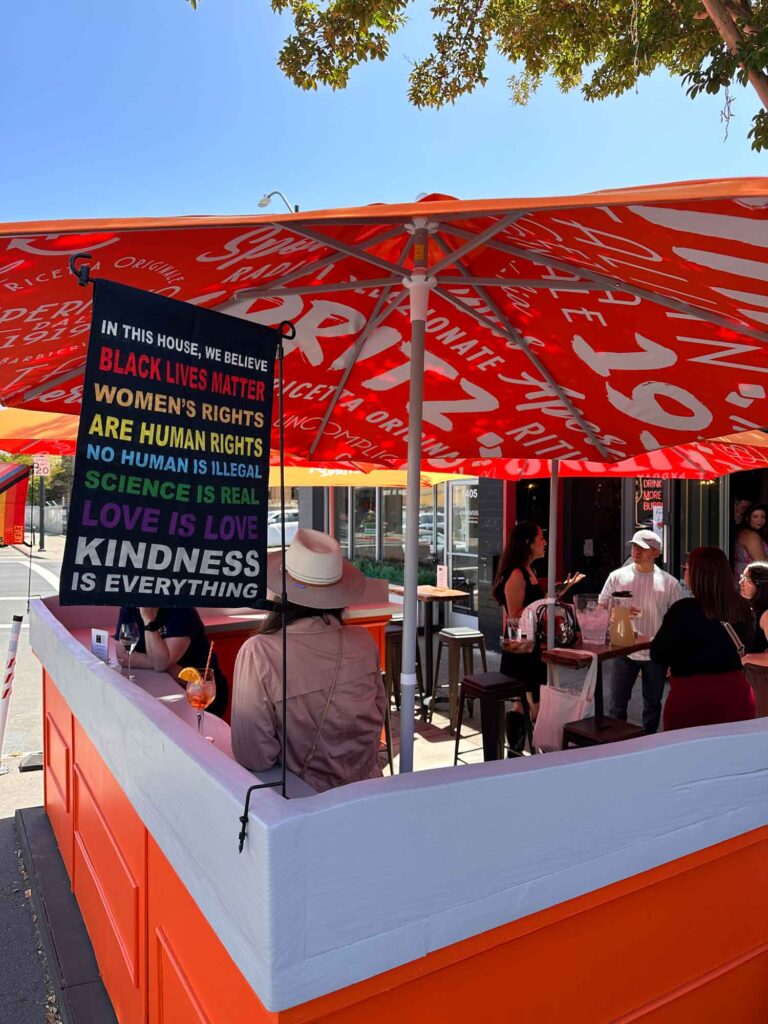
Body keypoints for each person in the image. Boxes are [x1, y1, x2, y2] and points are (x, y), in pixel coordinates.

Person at [231, 529, 386, 793]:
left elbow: (253, 755)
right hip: (369, 793)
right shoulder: (363, 641)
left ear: (281, 591)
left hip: (304, 804)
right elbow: (378, 713)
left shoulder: (260, 653)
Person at [493, 521, 582, 749]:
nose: (545, 542)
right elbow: (515, 615)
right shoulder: (516, 573)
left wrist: (556, 592)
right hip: (521, 647)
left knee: (527, 701)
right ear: (527, 543)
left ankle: (528, 748)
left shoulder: (529, 570)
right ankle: (525, 749)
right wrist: (545, 602)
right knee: (526, 701)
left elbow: (535, 603)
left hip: (532, 646)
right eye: (540, 538)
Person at [651, 546, 756, 731]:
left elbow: (658, 654)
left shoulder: (683, 610)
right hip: (737, 697)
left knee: (689, 757)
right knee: (734, 757)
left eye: (687, 569)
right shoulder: (744, 609)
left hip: (691, 700)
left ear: (697, 574)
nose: (685, 574)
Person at [598, 529, 682, 734]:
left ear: (656, 552)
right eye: (634, 546)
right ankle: (616, 744)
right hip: (623, 648)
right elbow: (600, 608)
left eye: (642, 548)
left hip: (655, 651)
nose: (636, 551)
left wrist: (673, 656)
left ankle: (647, 742)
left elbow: (676, 621)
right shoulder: (617, 576)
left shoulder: (669, 583)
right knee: (617, 703)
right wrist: (618, 613)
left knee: (652, 704)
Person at [114, 605, 229, 718]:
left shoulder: (181, 610)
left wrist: (148, 620)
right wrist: (169, 666)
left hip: (200, 690)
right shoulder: (129, 608)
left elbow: (160, 664)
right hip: (166, 691)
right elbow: (123, 655)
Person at [738, 560, 768, 716]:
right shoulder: (754, 610)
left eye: (747, 579)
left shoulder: (766, 614)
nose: (741, 582)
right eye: (742, 577)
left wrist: (747, 658)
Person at [732, 503, 768, 584]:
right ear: (748, 518)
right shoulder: (751, 535)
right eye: (755, 517)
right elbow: (761, 561)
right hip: (750, 580)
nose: (760, 520)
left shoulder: (745, 532)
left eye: (763, 516)